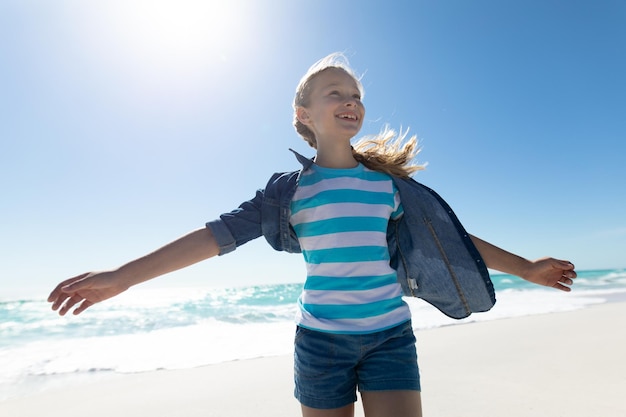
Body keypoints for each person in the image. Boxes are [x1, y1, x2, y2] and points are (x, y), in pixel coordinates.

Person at [48, 53, 577, 417]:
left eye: (356, 94)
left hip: (390, 336)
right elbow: (214, 236)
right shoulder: (288, 193)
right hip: (320, 343)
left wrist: (527, 268)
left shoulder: (387, 186)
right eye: (335, 93)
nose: (351, 100)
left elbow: (451, 238)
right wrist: (121, 278)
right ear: (304, 114)